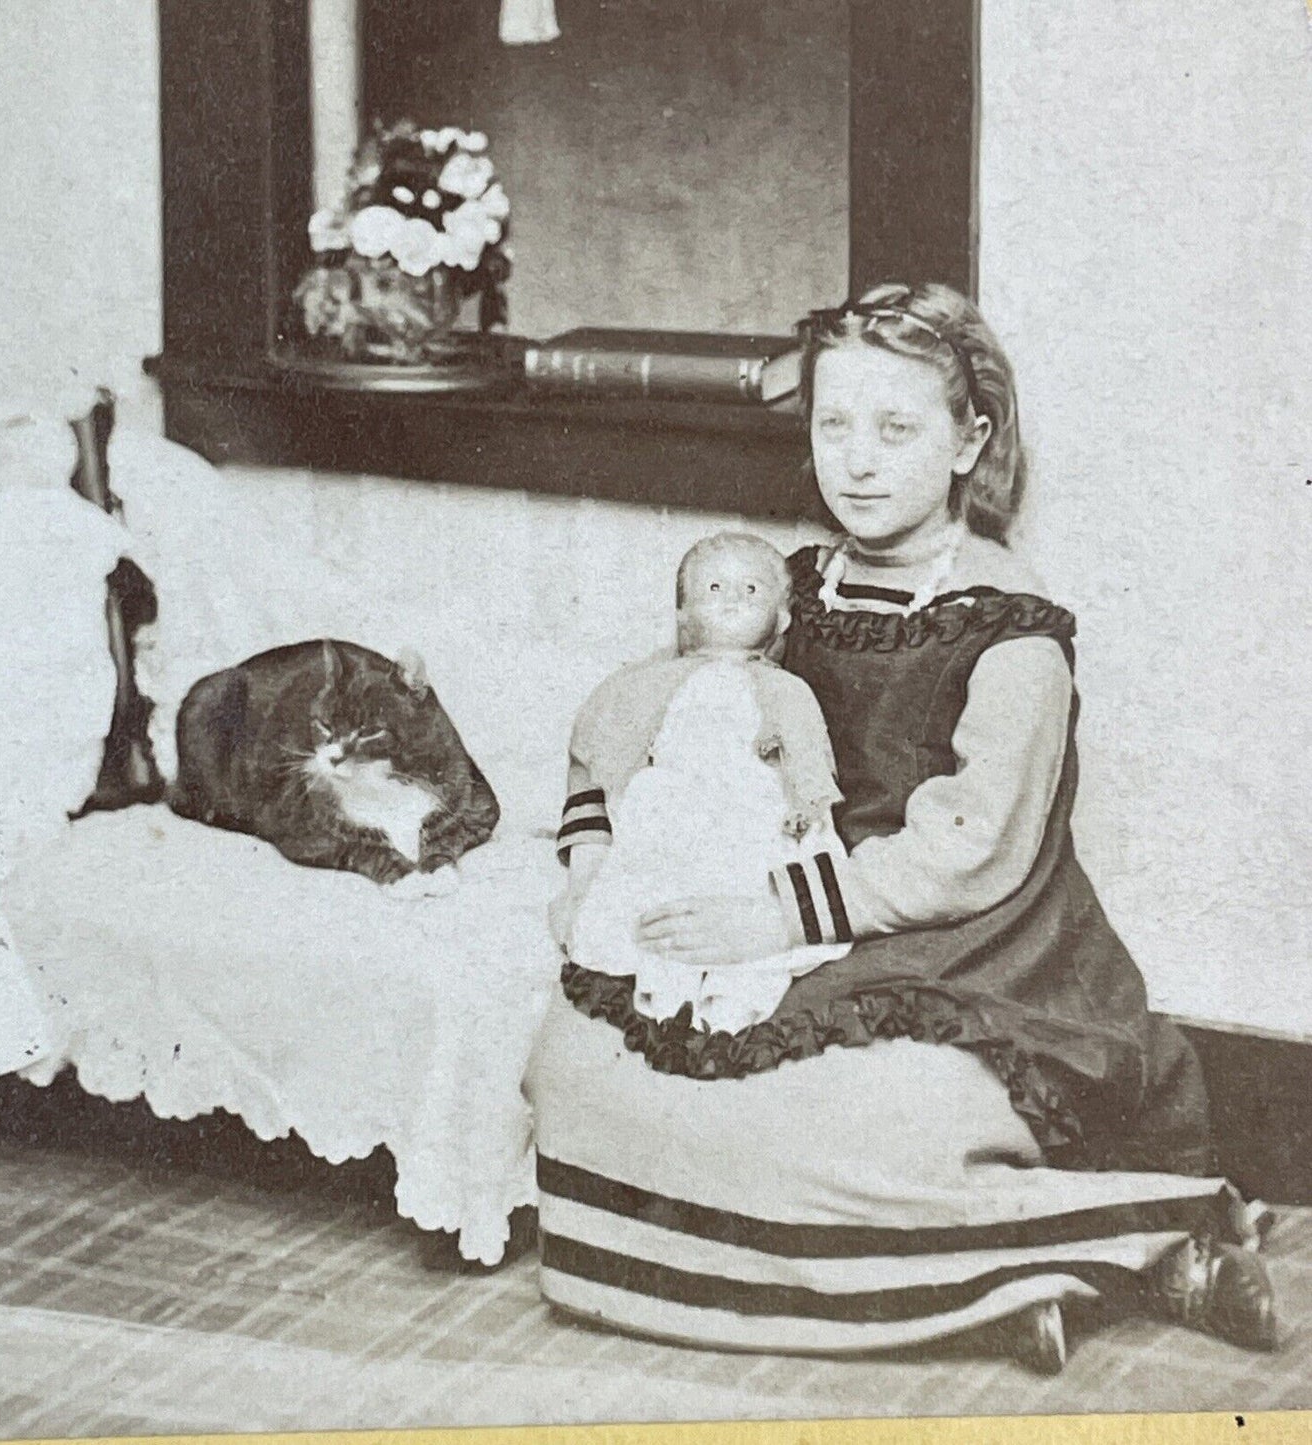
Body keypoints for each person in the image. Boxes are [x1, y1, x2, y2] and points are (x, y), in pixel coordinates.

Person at [524, 281, 1277, 1372]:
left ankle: (1145, 1238)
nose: (857, 460)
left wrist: (771, 917)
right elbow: (643, 725)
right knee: (580, 1065)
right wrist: (592, 861)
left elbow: (970, 850)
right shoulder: (776, 592)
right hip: (775, 909)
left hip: (964, 940)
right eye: (833, 425)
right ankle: (997, 1282)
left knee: (845, 1121)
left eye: (895, 428)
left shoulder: (1008, 628)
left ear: (969, 438)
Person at [554, 531, 849, 1036]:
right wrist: (586, 870)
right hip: (671, 818)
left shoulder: (788, 690)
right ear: (683, 614)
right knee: (657, 895)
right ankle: (665, 990)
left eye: (752, 589)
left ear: (781, 618)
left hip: (751, 820)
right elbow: (597, 760)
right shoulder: (640, 684)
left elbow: (807, 760)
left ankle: (733, 999)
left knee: (749, 881)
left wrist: (805, 806)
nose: (733, 597)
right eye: (714, 587)